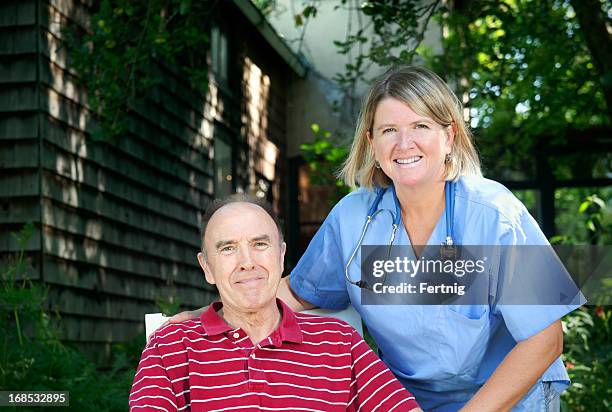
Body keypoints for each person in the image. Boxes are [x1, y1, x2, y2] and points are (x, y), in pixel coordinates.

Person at [171, 67, 581, 411]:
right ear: (372, 143)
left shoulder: (496, 214)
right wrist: (209, 313)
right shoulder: (354, 221)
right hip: (409, 400)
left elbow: (545, 338)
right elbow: (295, 293)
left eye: (421, 125)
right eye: (389, 130)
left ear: (449, 136)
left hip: (511, 394)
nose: (404, 144)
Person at [130, 194, 422, 411]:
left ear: (281, 256)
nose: (247, 262)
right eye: (228, 248)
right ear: (207, 267)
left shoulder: (339, 342)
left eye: (260, 244)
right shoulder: (171, 346)